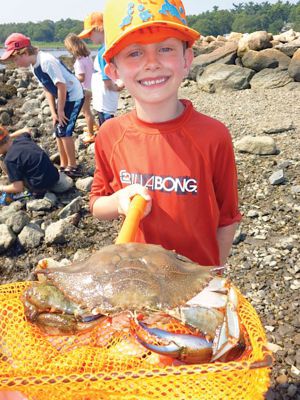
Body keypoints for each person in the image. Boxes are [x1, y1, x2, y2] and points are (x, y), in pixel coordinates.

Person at [90, 0, 242, 267]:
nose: (152, 63)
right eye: (134, 53)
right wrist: (119, 201)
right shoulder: (109, 134)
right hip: (137, 279)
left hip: (196, 281)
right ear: (114, 70)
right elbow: (97, 204)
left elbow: (227, 218)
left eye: (165, 48)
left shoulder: (214, 136)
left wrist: (212, 275)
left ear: (187, 60)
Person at [0, 33, 84, 178]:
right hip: (62, 97)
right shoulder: (34, 66)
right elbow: (47, 88)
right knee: (58, 129)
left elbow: (61, 86)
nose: (15, 63)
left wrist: (61, 110)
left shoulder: (46, 61)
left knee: (65, 131)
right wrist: (54, 111)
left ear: (25, 52)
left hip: (73, 95)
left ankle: (73, 166)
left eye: (15, 58)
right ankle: (63, 164)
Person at [77, 12, 123, 128]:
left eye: (90, 33)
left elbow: (106, 75)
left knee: (107, 122)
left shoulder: (105, 50)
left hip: (105, 94)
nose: (89, 37)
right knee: (104, 118)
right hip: (101, 95)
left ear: (99, 28)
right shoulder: (104, 48)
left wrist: (115, 87)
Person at [0, 125, 71, 198]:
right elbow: (26, 130)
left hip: (40, 187)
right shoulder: (22, 139)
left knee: (2, 160)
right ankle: (15, 178)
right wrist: (8, 136)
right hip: (54, 176)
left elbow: (18, 188)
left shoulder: (9, 159)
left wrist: (2, 187)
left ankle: (17, 182)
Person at [64, 33, 97, 145]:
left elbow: (81, 78)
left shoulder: (78, 62)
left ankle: (91, 134)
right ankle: (94, 127)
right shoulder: (87, 57)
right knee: (88, 111)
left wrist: (71, 78)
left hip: (84, 89)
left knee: (86, 112)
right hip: (91, 87)